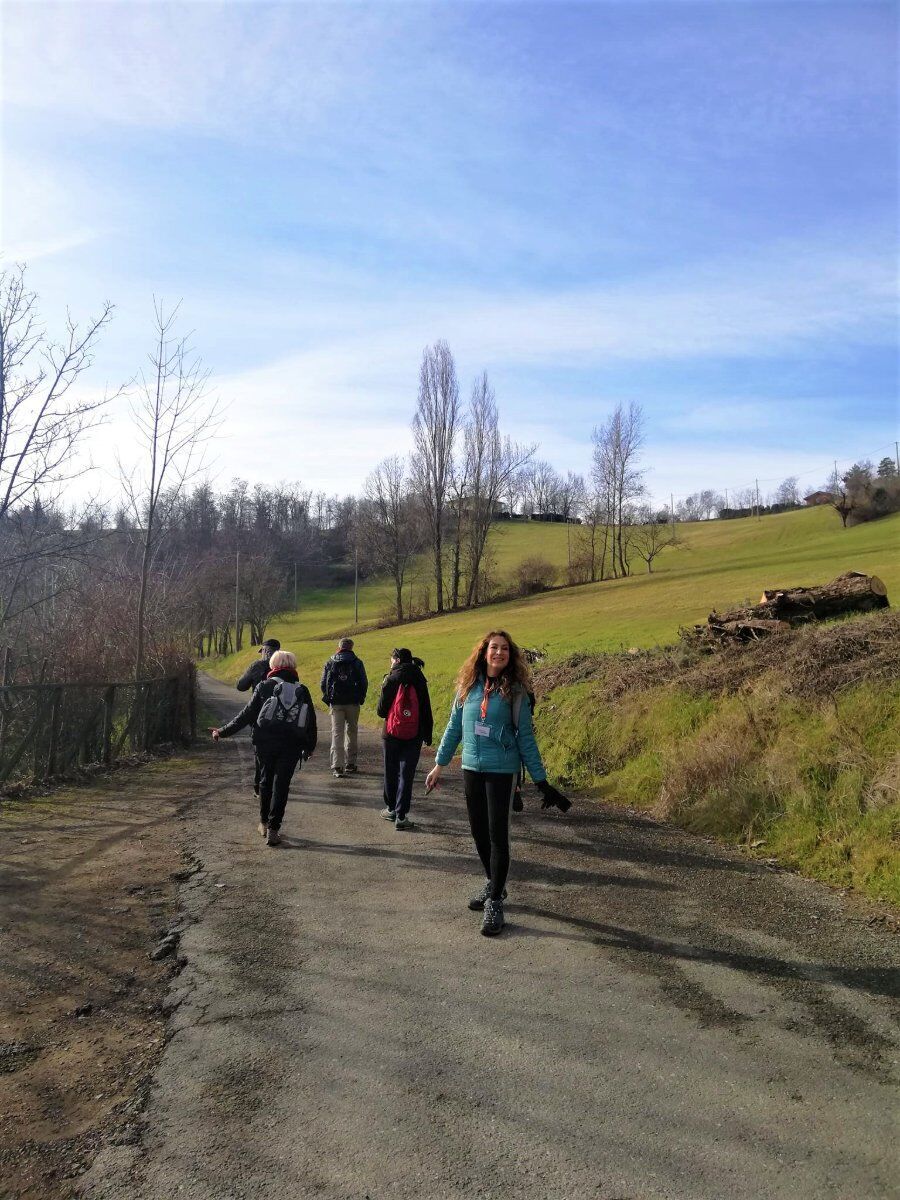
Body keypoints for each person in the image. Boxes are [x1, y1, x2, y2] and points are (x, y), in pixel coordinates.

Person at [425, 629, 569, 937]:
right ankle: (495, 883)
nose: (499, 653)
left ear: (510, 655)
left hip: (502, 770)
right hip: (471, 768)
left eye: (504, 649)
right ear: (483, 652)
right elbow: (454, 727)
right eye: (494, 648)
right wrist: (439, 763)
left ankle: (494, 902)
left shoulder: (516, 692)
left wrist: (541, 781)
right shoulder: (467, 686)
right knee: (477, 831)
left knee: (497, 836)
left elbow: (526, 739)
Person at [211, 650, 317, 847]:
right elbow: (311, 720)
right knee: (282, 785)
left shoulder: (264, 686)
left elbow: (246, 715)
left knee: (265, 781)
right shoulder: (302, 689)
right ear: (293, 666)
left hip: (265, 743)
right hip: (291, 745)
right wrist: (310, 746)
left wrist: (222, 731)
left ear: (273, 665)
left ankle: (264, 823)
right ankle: (275, 830)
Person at [375, 648, 433, 829]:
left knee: (390, 770)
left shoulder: (391, 678)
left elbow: (381, 711)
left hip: (391, 732)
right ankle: (401, 816)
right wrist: (428, 734)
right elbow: (426, 708)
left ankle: (390, 808)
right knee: (406, 774)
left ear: (397, 660)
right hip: (414, 733)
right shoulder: (420, 679)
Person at [235, 638, 281, 797]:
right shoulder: (283, 666)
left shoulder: (256, 666)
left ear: (264, 651)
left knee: (260, 752)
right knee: (278, 749)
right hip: (280, 715)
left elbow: (241, 686)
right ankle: (275, 783)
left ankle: (259, 786)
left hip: (258, 714)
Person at [320, 637, 368, 778]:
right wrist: (361, 697)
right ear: (351, 647)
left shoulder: (330, 662)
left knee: (337, 733)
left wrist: (328, 698)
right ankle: (351, 764)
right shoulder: (357, 662)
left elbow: (323, 683)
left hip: (336, 703)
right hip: (353, 702)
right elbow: (364, 682)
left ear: (339, 646)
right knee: (352, 732)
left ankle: (337, 766)